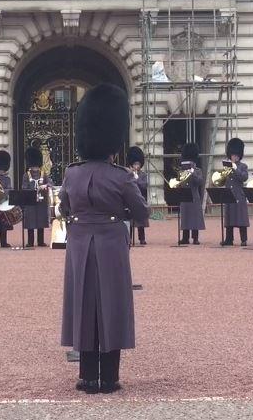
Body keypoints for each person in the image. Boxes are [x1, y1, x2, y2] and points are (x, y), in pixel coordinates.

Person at [60, 83, 148, 394]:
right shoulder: (122, 176)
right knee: (112, 305)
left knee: (82, 303)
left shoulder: (71, 173)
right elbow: (142, 213)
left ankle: (87, 377)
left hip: (79, 241)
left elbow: (63, 206)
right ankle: (109, 377)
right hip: (111, 242)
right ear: (114, 138)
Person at [220, 138, 249, 246]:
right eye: (232, 155)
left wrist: (235, 168)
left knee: (241, 218)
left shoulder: (243, 166)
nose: (234, 157)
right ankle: (229, 239)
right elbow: (223, 180)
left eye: (236, 155)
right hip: (229, 194)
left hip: (239, 195)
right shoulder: (227, 166)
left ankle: (244, 239)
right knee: (229, 218)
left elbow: (244, 177)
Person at [22, 147, 51, 247]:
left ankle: (40, 241)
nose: (35, 168)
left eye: (36, 166)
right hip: (31, 201)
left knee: (40, 221)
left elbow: (50, 184)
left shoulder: (44, 174)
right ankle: (30, 242)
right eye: (34, 166)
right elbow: (24, 187)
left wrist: (45, 186)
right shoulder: (26, 175)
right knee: (30, 222)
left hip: (41, 202)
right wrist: (34, 190)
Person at [178, 142, 205, 245]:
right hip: (185, 196)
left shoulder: (198, 170)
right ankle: (185, 238)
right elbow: (180, 182)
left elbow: (200, 182)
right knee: (185, 217)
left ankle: (195, 238)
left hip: (194, 197)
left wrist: (192, 173)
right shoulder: (182, 171)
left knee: (195, 218)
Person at [127, 146, 149, 245]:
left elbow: (144, 186)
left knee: (140, 221)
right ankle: (129, 238)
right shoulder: (128, 174)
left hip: (140, 198)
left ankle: (142, 238)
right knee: (131, 222)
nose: (137, 166)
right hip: (131, 199)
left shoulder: (143, 175)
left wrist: (136, 179)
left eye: (138, 164)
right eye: (135, 164)